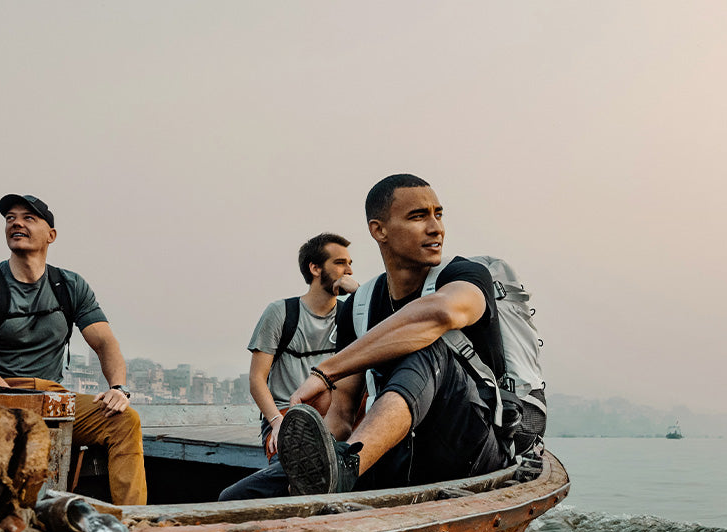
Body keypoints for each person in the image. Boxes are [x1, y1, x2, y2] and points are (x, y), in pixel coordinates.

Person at [276, 173, 513, 496]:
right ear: (379, 230)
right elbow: (342, 410)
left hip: (474, 451)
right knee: (241, 495)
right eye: (418, 216)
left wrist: (326, 371)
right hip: (397, 452)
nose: (436, 228)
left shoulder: (465, 275)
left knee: (428, 345)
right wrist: (310, 464)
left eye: (438, 214)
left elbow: (441, 314)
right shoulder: (359, 306)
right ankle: (337, 469)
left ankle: (348, 467)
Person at [0, 194, 146, 505]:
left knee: (124, 420)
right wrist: (19, 410)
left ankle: (132, 519)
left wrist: (118, 389)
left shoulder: (69, 285)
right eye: (10, 218)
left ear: (51, 235)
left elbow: (105, 342)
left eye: (28, 218)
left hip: (54, 398)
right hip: (0, 395)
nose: (16, 223)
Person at [218, 233, 357, 501]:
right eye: (340, 263)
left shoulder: (349, 314)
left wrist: (358, 294)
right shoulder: (281, 312)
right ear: (315, 268)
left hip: (336, 416)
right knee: (299, 467)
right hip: (287, 414)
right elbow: (257, 379)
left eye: (350, 263)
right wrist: (277, 421)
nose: (349, 270)